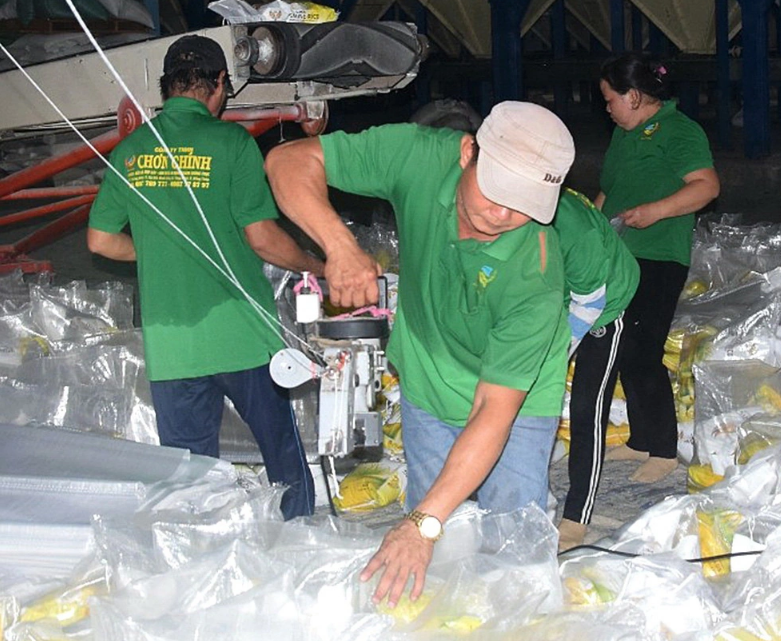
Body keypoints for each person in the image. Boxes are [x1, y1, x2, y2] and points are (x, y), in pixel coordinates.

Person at [264, 101, 575, 605]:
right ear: (468, 151)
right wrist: (339, 245)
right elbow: (287, 161)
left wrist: (421, 525)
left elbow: (492, 413)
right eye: (497, 191)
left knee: (511, 536)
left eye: (523, 204)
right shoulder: (419, 157)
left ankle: (515, 635)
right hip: (429, 376)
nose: (503, 214)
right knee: (435, 535)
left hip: (511, 404)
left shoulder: (534, 275)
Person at [87, 34, 317, 521]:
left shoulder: (130, 151)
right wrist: (320, 265)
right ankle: (301, 538)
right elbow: (263, 238)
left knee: (190, 474)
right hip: (241, 335)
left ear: (167, 87)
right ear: (218, 85)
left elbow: (100, 242)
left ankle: (201, 555)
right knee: (282, 455)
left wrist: (156, 252)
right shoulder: (231, 142)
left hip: (173, 344)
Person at [596, 52, 720, 484]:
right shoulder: (623, 135)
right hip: (621, 256)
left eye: (610, 99)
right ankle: (640, 440)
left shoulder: (680, 131)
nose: (606, 108)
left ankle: (664, 449)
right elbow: (609, 194)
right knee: (621, 349)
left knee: (642, 351)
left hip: (659, 255)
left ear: (633, 96)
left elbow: (706, 186)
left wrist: (656, 211)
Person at [554, 188, 640, 551]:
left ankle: (577, 514)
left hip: (606, 305)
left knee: (588, 406)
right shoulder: (503, 214)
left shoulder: (573, 226)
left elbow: (591, 301)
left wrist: (556, 356)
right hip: (559, 297)